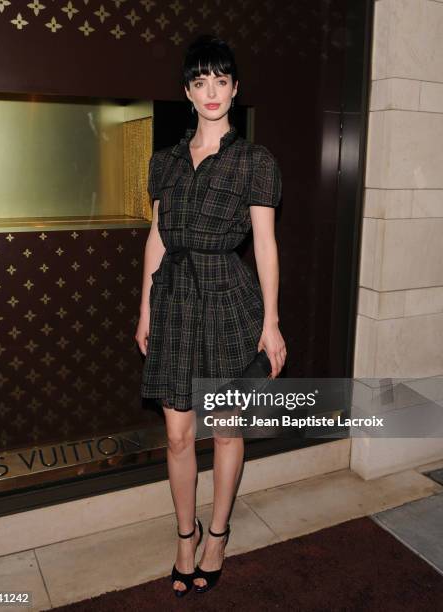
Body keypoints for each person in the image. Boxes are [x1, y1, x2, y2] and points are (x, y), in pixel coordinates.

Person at [135, 34, 287, 597]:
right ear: (187, 92)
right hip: (174, 300)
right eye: (201, 82)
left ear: (235, 87)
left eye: (221, 80)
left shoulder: (254, 161)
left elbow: (266, 245)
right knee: (178, 436)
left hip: (228, 299)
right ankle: (184, 535)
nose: (212, 92)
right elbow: (156, 237)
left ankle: (218, 534)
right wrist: (144, 308)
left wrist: (270, 321)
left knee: (225, 430)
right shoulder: (165, 163)